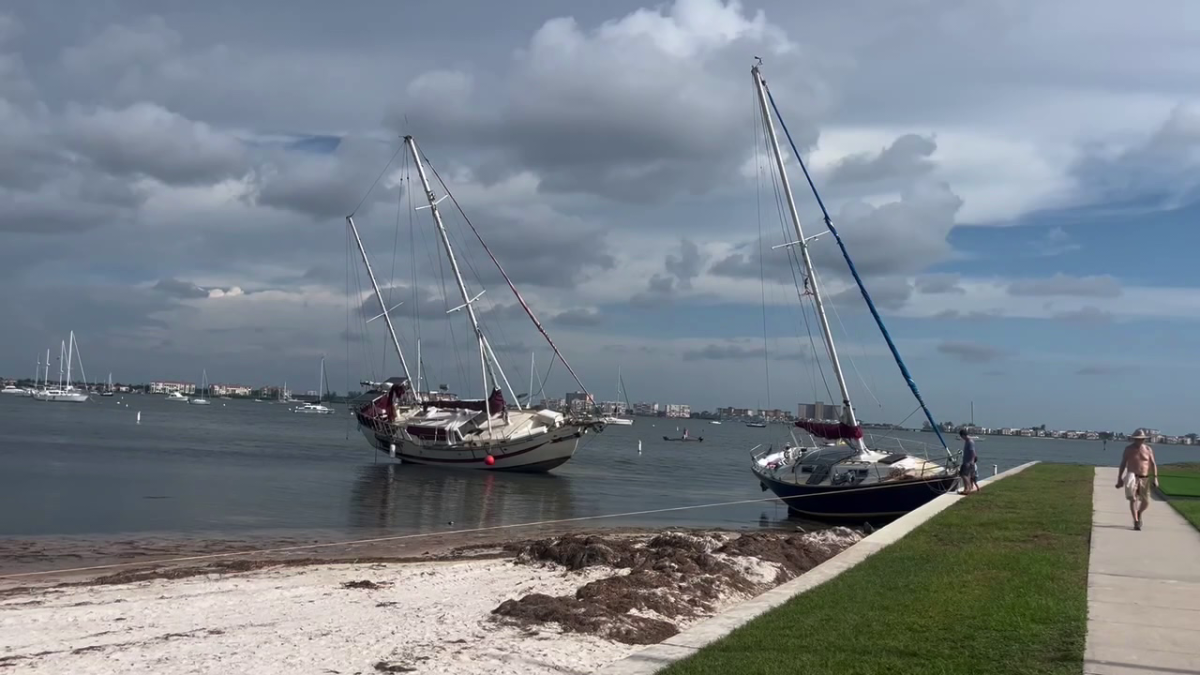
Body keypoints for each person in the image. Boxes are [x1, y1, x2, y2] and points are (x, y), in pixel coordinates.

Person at [1116, 429, 1159, 530]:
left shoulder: (1148, 449)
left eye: (1141, 439)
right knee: (1133, 499)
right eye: (1137, 439)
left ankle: (1139, 512)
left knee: (1146, 501)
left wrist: (1155, 478)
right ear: (1134, 439)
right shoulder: (1128, 449)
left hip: (1145, 477)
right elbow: (1123, 464)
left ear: (1144, 439)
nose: (1139, 441)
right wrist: (1119, 478)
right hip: (1132, 477)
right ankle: (1136, 521)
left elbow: (1153, 464)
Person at [958, 428, 978, 494]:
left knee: (964, 475)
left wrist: (972, 461)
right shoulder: (967, 441)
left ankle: (968, 488)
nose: (961, 438)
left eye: (961, 436)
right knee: (962, 474)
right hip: (965, 461)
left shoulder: (970, 442)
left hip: (968, 462)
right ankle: (966, 489)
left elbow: (973, 452)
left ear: (963, 435)